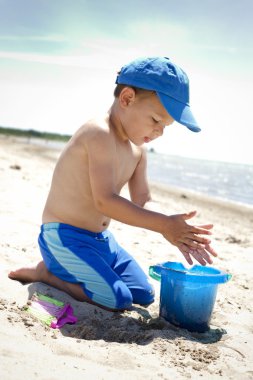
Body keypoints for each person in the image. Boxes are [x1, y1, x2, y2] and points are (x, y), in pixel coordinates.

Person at [9, 57, 217, 311]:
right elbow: (104, 201)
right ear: (127, 99)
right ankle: (45, 273)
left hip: (101, 241)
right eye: (155, 120)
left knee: (144, 294)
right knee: (116, 299)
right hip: (64, 237)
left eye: (166, 126)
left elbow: (141, 202)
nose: (160, 132)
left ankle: (83, 272)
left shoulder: (138, 151)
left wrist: (176, 226)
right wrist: (163, 225)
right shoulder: (98, 133)